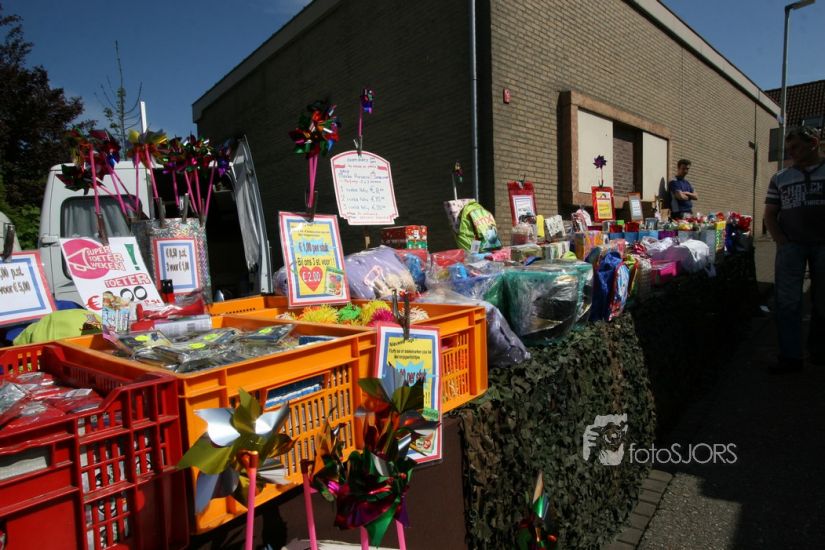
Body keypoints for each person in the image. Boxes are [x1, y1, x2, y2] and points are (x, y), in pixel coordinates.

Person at [764, 125, 825, 373]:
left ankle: (819, 353)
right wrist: (781, 240)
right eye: (789, 149)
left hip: (823, 246)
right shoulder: (780, 178)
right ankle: (791, 357)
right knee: (787, 302)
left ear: (814, 144)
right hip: (792, 247)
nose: (791, 153)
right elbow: (770, 214)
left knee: (822, 301)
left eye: (796, 147)